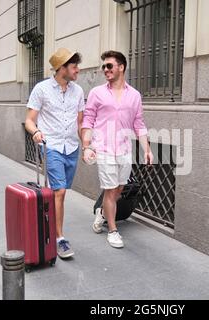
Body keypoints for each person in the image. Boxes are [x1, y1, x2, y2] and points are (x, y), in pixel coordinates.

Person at [81, 50, 153, 248]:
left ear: (121, 67)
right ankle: (112, 230)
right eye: (104, 66)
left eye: (109, 66)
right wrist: (86, 146)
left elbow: (139, 123)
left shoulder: (135, 95)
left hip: (124, 149)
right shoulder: (97, 93)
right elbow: (88, 120)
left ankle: (102, 213)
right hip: (102, 148)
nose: (105, 69)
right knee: (111, 189)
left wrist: (147, 149)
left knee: (119, 189)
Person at [25, 48, 85, 259]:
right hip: (51, 146)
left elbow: (80, 123)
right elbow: (29, 120)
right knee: (59, 191)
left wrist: (87, 144)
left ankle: (53, 228)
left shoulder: (78, 91)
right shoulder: (41, 89)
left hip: (72, 147)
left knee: (62, 191)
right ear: (62, 69)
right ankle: (60, 239)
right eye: (74, 66)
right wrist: (37, 132)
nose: (78, 69)